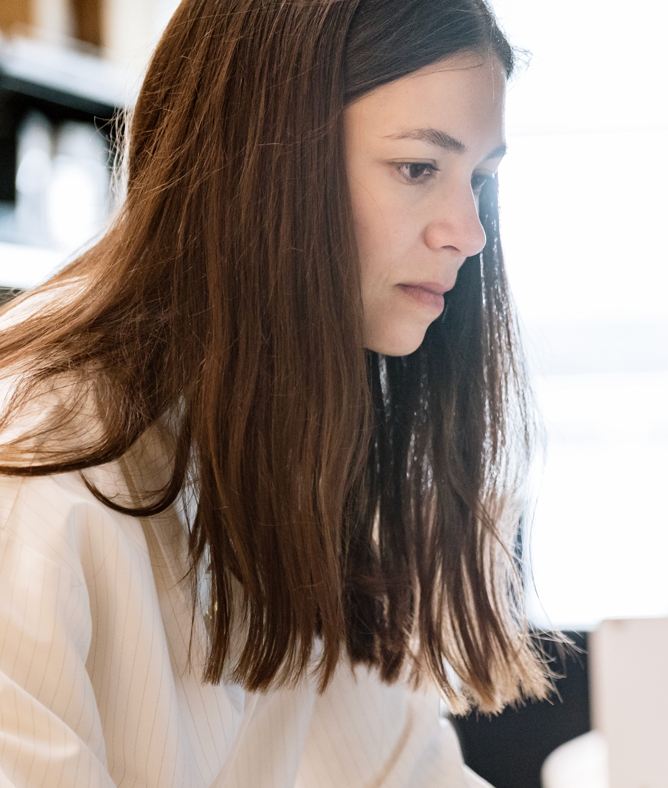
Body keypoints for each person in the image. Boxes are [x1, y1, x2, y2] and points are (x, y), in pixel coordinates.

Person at [0, 0, 550, 785]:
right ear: (261, 157)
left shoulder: (295, 430)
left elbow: (401, 766)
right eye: (419, 168)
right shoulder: (34, 463)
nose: (469, 231)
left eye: (480, 179)